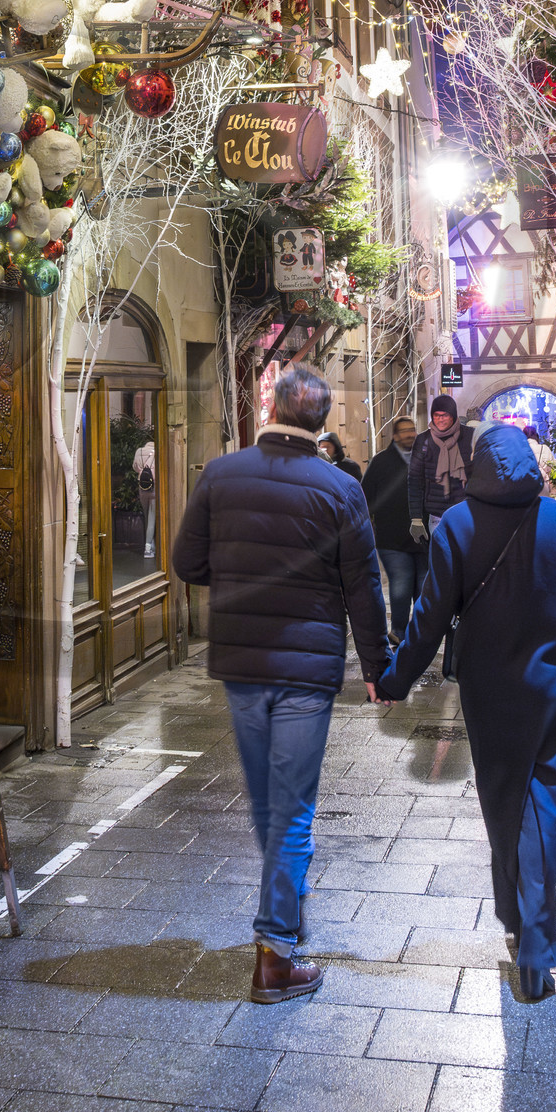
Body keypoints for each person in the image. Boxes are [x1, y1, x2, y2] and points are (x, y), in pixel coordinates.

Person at [172, 360, 387, 1006]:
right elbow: (362, 585)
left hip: (241, 662)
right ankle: (274, 953)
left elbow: (188, 561)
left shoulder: (221, 473)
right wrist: (378, 667)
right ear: (319, 421)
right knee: (291, 809)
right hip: (306, 668)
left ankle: (286, 912)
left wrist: (238, 575)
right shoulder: (338, 488)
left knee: (272, 804)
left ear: (271, 408)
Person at [374, 423, 556, 999]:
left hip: (488, 690)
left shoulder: (457, 525)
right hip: (550, 688)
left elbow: (428, 617)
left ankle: (521, 924)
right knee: (549, 799)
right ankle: (535, 937)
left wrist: (395, 680)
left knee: (504, 802)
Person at [363, 414, 420, 641]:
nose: (409, 434)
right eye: (404, 430)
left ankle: (419, 632)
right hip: (392, 538)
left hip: (423, 538)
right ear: (395, 436)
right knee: (402, 582)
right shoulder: (381, 462)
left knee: (423, 587)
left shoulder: (425, 457)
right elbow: (365, 496)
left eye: (412, 429)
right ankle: (398, 631)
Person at [407, 395, 472, 548]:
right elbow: (415, 480)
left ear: (453, 416)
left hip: (466, 513)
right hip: (437, 515)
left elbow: (479, 476)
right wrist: (416, 519)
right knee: (441, 561)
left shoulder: (469, 436)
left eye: (445, 415)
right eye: (436, 415)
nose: (440, 420)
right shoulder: (423, 440)